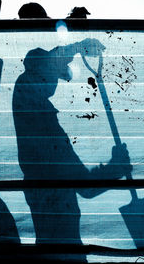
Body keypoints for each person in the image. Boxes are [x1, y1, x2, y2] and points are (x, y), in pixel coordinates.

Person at [13, 38, 132, 248]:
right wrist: (116, 167)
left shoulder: (38, 113)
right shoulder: (30, 100)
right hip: (54, 209)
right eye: (54, 75)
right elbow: (85, 186)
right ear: (42, 73)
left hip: (54, 207)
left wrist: (116, 167)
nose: (55, 83)